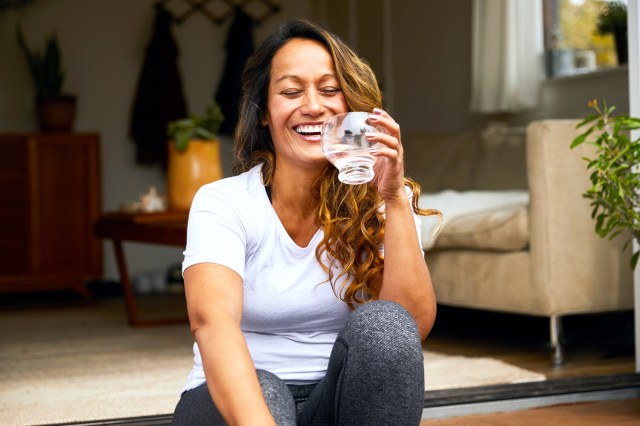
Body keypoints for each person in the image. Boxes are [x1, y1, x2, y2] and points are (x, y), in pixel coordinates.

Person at [173, 17, 439, 425]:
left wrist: (394, 199)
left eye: (330, 90)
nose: (313, 106)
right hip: (235, 404)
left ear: (351, 105)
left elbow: (408, 329)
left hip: (334, 403)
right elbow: (212, 322)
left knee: (385, 323)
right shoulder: (223, 202)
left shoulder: (384, 198)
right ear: (264, 113)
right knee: (266, 390)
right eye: (291, 91)